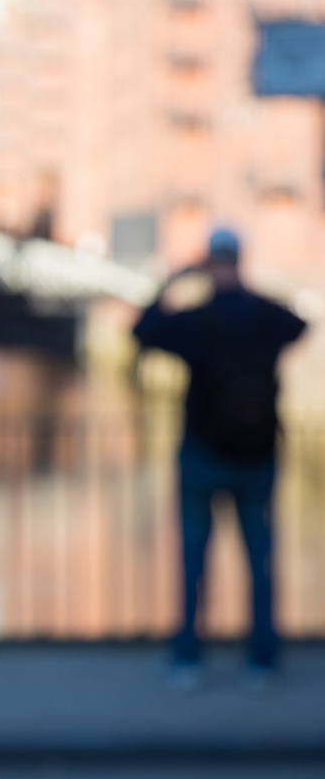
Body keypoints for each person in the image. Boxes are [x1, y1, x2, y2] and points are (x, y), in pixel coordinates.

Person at [133, 228, 306, 688]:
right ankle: (261, 663)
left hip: (201, 455)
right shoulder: (266, 317)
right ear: (240, 261)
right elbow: (299, 325)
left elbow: (142, 331)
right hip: (258, 457)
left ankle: (188, 660)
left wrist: (171, 281)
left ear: (208, 264)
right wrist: (248, 290)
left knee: (193, 559)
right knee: (260, 562)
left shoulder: (194, 320)